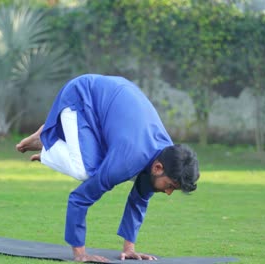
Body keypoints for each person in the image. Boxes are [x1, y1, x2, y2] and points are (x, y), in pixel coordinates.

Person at [16, 74, 199, 263]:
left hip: (109, 107)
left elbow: (140, 199)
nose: (168, 193)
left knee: (110, 165)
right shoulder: (128, 159)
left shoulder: (164, 154)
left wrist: (129, 249)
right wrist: (80, 254)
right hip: (82, 96)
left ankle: (50, 137)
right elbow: (79, 199)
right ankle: (48, 142)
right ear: (158, 167)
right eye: (170, 186)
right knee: (86, 172)